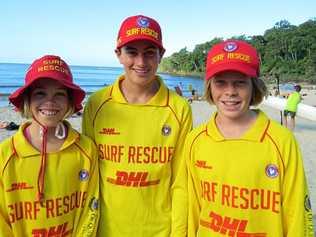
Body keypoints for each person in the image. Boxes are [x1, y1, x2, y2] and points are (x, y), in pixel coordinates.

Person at [177, 40, 314, 236]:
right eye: (220, 82)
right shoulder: (195, 140)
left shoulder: (281, 140)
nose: (230, 91)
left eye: (240, 82)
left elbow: (297, 213)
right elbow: (189, 207)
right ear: (209, 86)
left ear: (254, 87)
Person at [82, 15, 192, 236]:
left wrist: (179, 233)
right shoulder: (96, 104)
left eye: (149, 53)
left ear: (161, 55)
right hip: (107, 230)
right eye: (132, 52)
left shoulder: (179, 109)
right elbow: (88, 178)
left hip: (160, 230)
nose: (141, 62)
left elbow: (181, 182)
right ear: (118, 55)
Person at [0, 55, 99, 236]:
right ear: (27, 99)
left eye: (59, 94)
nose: (50, 102)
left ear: (69, 101)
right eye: (40, 93)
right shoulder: (5, 155)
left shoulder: (86, 149)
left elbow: (90, 210)